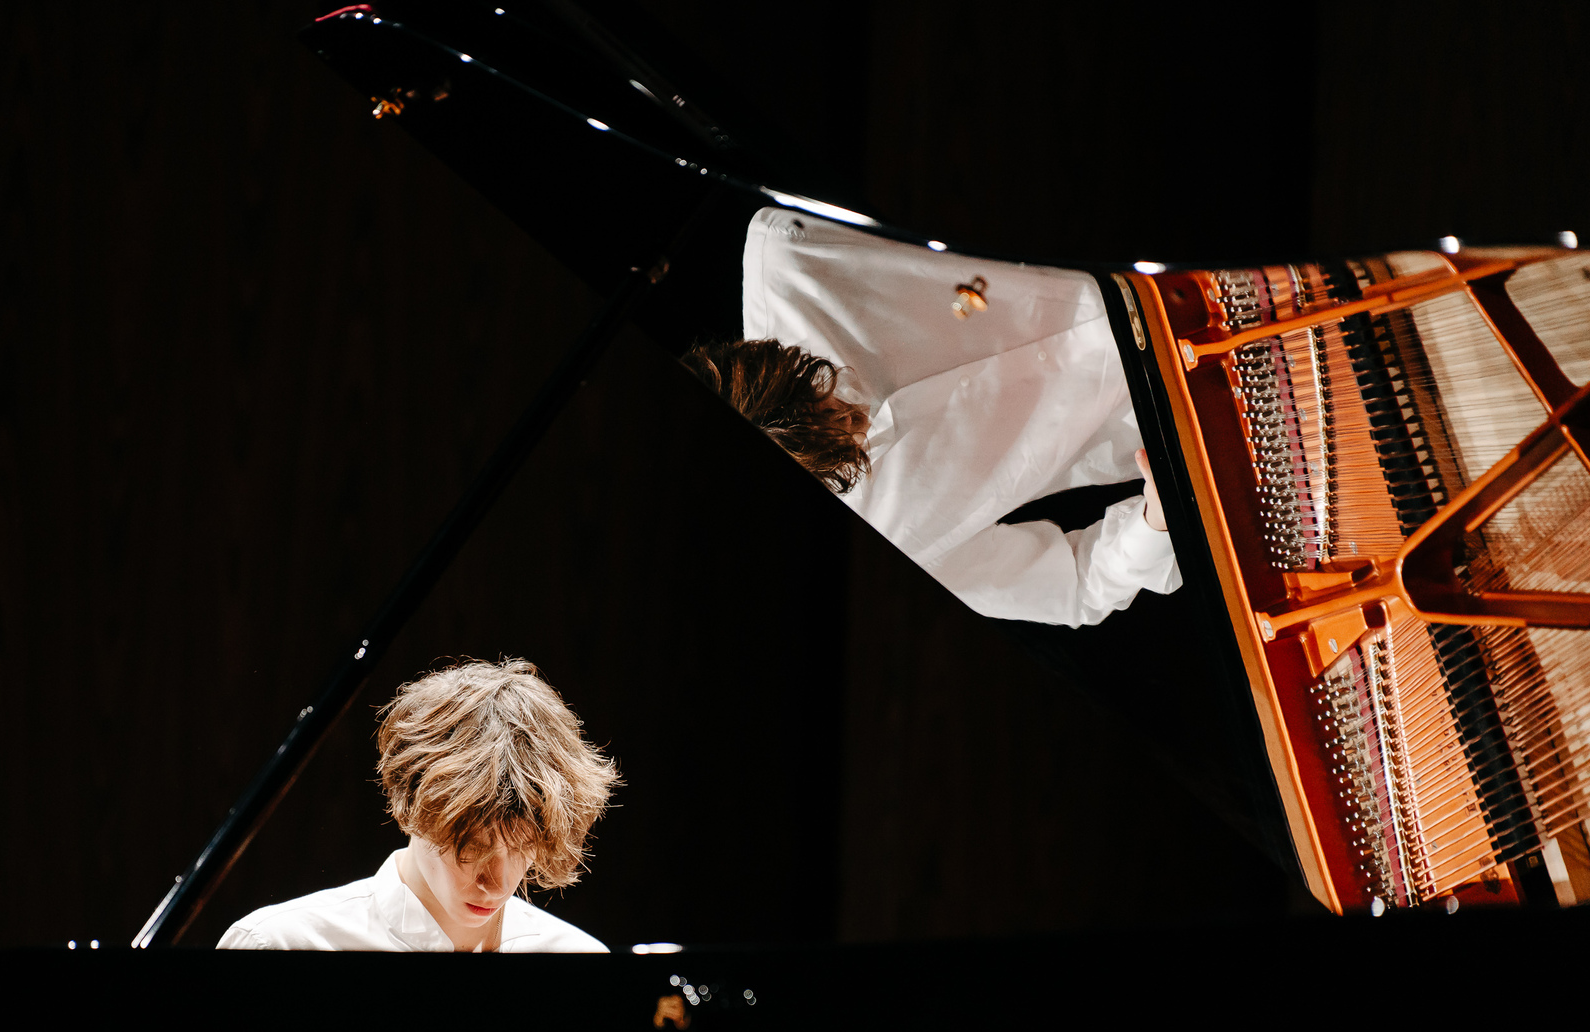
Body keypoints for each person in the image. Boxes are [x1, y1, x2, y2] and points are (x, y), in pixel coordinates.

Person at [684, 206, 1180, 628]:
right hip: (1176, 415)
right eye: (838, 448)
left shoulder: (793, 251)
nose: (855, 417)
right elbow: (1076, 584)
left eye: (820, 390)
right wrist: (1156, 519)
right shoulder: (887, 542)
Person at [217, 658, 621, 953]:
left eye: (521, 847)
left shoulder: (580, 959)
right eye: (473, 846)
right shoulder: (280, 946)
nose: (497, 883)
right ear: (414, 809)